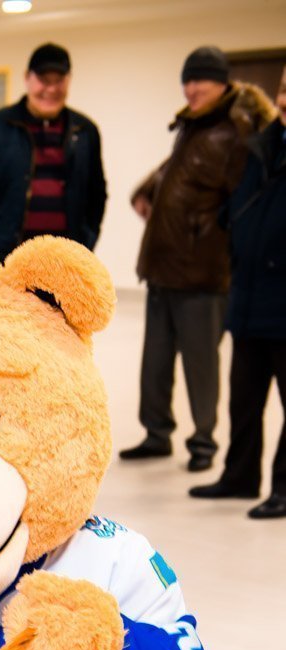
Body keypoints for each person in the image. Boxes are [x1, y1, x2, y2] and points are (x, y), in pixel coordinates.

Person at [121, 47, 275, 472]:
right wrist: (147, 189)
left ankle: (203, 443)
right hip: (163, 266)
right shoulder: (194, 124)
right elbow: (176, 171)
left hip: (203, 272)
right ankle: (156, 434)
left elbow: (244, 201)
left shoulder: (236, 131)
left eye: (199, 80)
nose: (190, 88)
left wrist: (210, 236)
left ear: (221, 82)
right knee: (155, 363)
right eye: (186, 80)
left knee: (200, 365)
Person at [190, 65, 286, 518]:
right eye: (283, 90)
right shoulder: (262, 145)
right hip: (249, 295)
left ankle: (284, 488)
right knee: (244, 400)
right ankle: (240, 476)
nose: (283, 101)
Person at [0, 43, 106, 266]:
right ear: (27, 78)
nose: (51, 89)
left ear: (69, 80)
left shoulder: (85, 131)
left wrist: (86, 239)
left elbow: (97, 193)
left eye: (59, 80)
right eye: (44, 79)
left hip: (66, 263)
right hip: (6, 260)